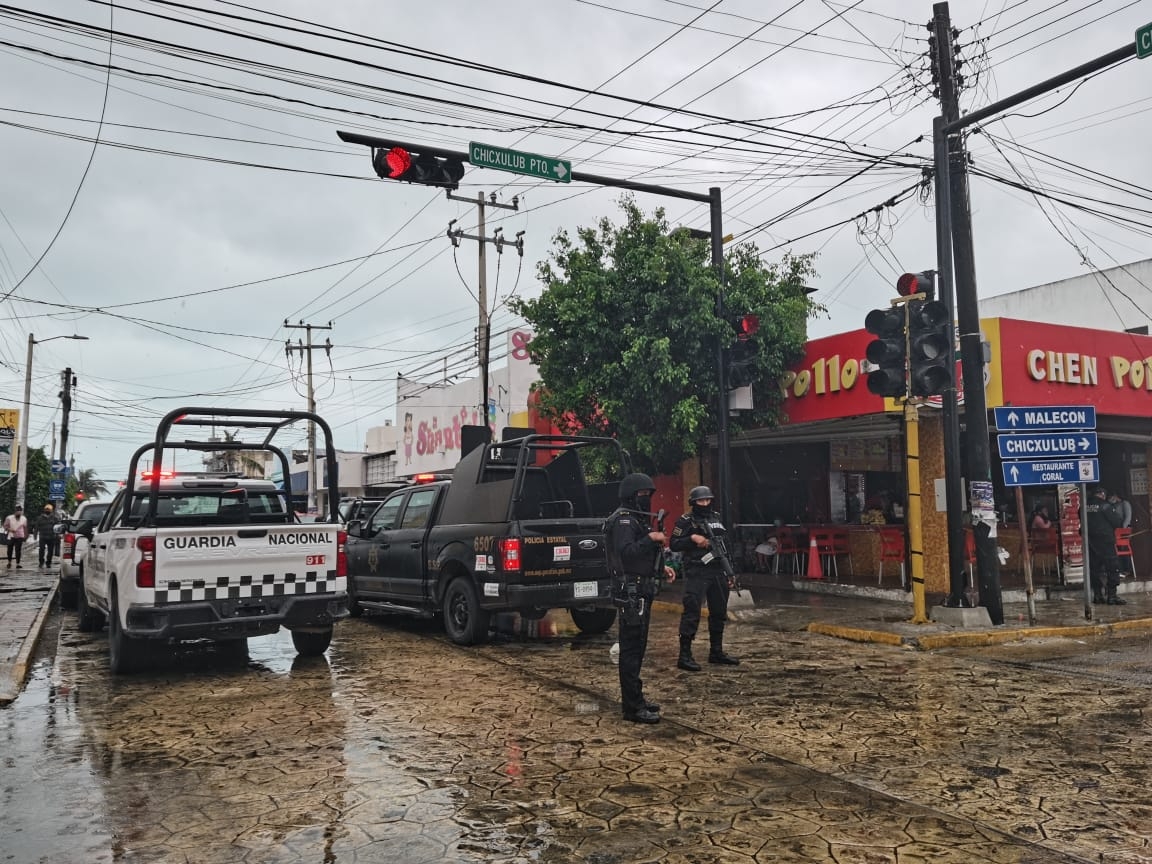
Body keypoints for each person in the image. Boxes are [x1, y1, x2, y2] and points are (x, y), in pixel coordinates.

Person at [604, 473, 674, 724]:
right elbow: (627, 553)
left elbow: (641, 558)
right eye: (642, 495)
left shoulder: (635, 519)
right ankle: (632, 708)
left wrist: (661, 569)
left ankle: (636, 699)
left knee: (639, 647)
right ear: (631, 496)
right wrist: (650, 539)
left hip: (641, 589)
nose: (646, 500)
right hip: (631, 592)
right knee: (631, 649)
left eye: (648, 495)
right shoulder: (624, 520)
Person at [671, 486, 740, 672]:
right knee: (692, 612)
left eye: (707, 500)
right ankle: (684, 655)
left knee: (718, 612)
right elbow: (674, 543)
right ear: (694, 502)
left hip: (718, 571)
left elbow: (726, 545)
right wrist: (692, 538)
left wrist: (730, 572)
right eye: (701, 501)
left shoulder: (716, 518)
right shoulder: (686, 521)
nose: (705, 504)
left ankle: (716, 651)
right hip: (697, 571)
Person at [1086, 486, 1124, 605]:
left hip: (1090, 542)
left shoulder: (1084, 505)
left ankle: (1098, 595)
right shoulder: (1105, 505)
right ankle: (1112, 596)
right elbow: (1117, 522)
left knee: (1094, 570)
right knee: (1112, 568)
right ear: (1102, 494)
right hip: (1105, 542)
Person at [35, 503, 59, 569]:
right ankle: (41, 562)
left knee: (50, 551)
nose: (47, 510)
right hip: (42, 536)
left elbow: (58, 527)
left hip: (51, 537)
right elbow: (36, 527)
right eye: (46, 509)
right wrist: (35, 535)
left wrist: (57, 535)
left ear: (51, 510)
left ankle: (48, 562)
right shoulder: (40, 518)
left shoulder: (55, 518)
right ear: (44, 510)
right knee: (41, 550)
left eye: (49, 509)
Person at [4, 505, 28, 569]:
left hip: (20, 536)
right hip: (11, 536)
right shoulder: (9, 518)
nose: (19, 513)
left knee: (18, 550)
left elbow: (25, 527)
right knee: (9, 550)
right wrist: (10, 529)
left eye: (20, 511)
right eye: (18, 511)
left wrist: (25, 536)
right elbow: (5, 526)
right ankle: (9, 562)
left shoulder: (24, 518)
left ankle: (18, 563)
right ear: (15, 512)